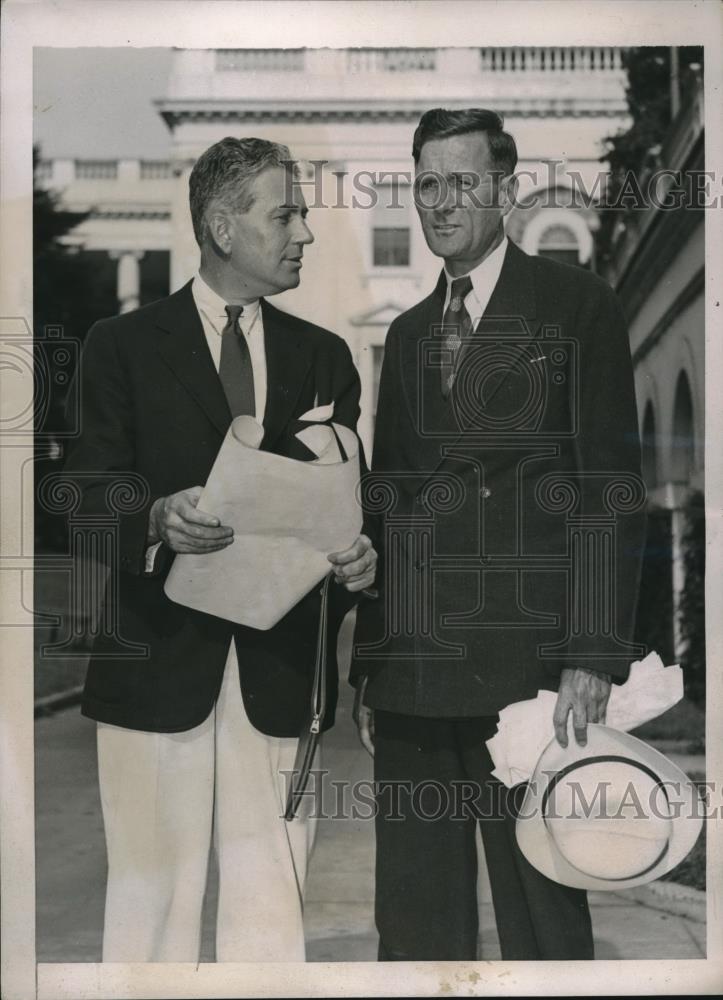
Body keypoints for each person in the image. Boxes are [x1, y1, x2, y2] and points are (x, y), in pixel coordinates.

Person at [63, 137, 376, 963]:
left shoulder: (325, 357)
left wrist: (358, 561)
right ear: (222, 228)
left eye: (302, 214)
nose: (305, 232)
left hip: (280, 676)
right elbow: (78, 494)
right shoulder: (120, 345)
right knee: (147, 912)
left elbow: (350, 505)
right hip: (153, 668)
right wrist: (152, 517)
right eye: (285, 214)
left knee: (270, 915)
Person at [351, 108, 645, 961]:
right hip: (414, 671)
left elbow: (608, 488)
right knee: (413, 921)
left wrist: (591, 653)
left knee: (542, 917)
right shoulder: (407, 334)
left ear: (504, 191)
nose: (440, 203)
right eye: (426, 184)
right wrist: (370, 662)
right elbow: (389, 503)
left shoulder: (577, 307)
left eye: (461, 182)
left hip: (528, 673)